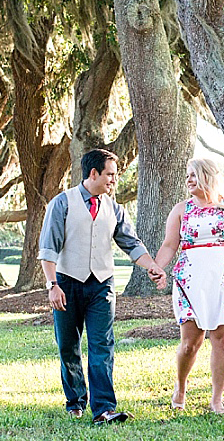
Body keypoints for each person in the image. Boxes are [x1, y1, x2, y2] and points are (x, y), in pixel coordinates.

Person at [39, 149, 166, 424]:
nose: (114, 180)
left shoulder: (115, 208)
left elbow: (131, 244)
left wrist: (152, 266)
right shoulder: (62, 203)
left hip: (102, 286)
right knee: (68, 346)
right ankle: (75, 401)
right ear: (93, 173)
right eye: (110, 174)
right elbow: (48, 249)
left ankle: (104, 409)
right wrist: (52, 285)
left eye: (115, 175)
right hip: (66, 283)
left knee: (102, 345)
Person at [154, 157, 224, 414]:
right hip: (191, 278)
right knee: (191, 342)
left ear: (207, 176)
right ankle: (180, 387)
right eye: (187, 175)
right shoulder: (181, 209)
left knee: (222, 340)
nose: (188, 180)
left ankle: (216, 399)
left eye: (193, 175)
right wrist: (158, 268)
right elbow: (170, 245)